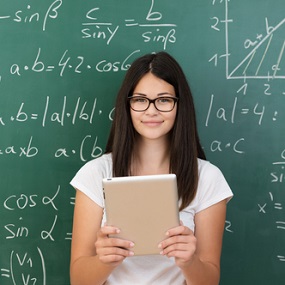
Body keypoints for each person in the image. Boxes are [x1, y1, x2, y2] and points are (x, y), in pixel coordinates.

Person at [70, 51, 233, 285]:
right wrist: (105, 261)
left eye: (164, 100)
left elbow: (210, 280)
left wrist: (189, 262)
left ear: (179, 105)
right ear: (127, 105)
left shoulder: (207, 178)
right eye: (140, 100)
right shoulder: (96, 173)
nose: (151, 110)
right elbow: (78, 279)